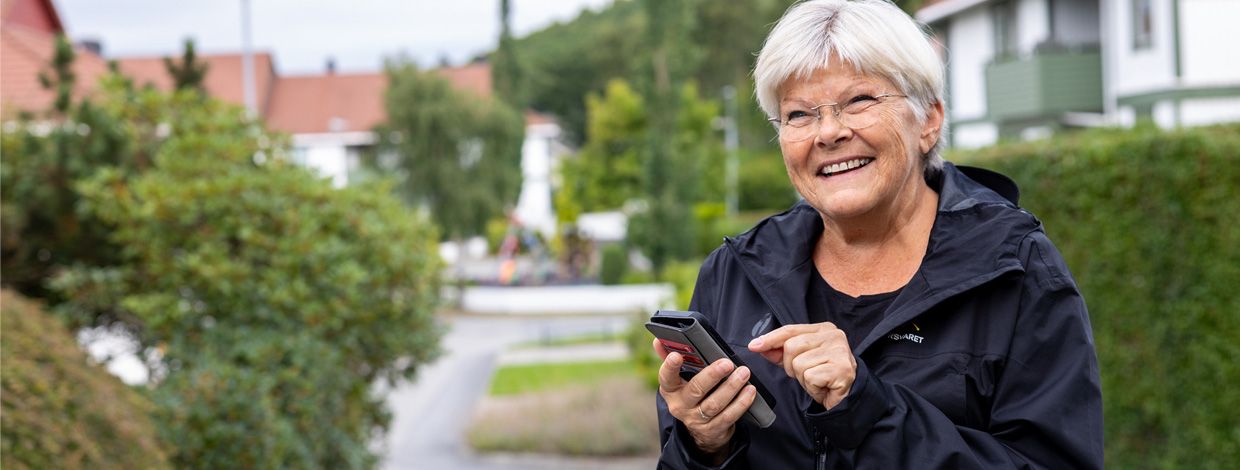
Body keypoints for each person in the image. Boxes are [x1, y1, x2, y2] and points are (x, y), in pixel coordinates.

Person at [652, 0, 1104, 468]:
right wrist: (702, 445)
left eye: (859, 101)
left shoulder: (1015, 269)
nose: (828, 132)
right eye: (799, 115)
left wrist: (867, 409)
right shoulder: (735, 272)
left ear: (929, 119)